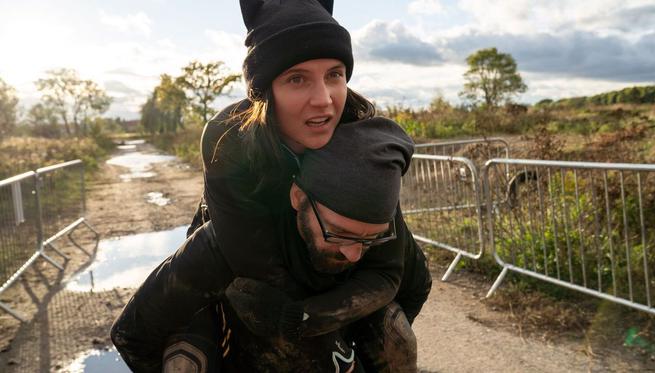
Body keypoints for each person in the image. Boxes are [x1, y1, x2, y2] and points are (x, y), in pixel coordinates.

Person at [111, 0, 429, 371]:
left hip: (311, 288)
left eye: (335, 74)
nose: (324, 100)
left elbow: (400, 278)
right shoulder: (228, 142)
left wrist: (352, 331)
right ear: (265, 91)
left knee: (393, 334)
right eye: (297, 78)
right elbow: (262, 287)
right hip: (242, 275)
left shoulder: (366, 140)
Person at [162, 118, 431, 372]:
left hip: (335, 314)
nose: (353, 250)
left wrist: (317, 323)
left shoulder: (375, 200)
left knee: (394, 336)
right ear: (296, 195)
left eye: (368, 237)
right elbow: (137, 330)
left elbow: (405, 288)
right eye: (337, 232)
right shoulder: (234, 211)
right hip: (244, 317)